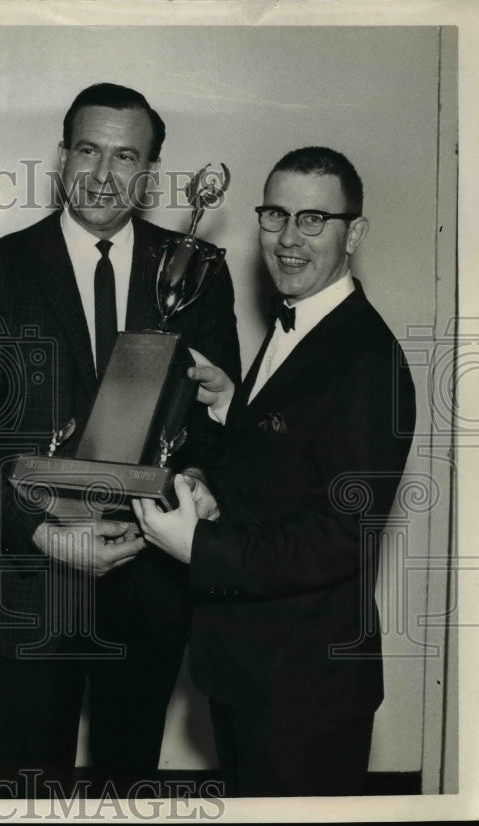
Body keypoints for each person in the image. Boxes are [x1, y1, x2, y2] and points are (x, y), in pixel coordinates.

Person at [0, 82, 240, 791]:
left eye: (126, 156)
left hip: (150, 583)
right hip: (31, 582)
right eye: (88, 150)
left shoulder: (199, 270)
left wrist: (195, 481)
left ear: (150, 173)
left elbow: (212, 417)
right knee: (21, 792)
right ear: (61, 157)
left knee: (127, 786)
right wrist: (43, 533)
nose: (104, 174)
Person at [134, 146, 416, 796]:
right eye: (275, 215)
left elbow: (337, 536)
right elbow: (299, 459)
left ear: (356, 233)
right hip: (253, 673)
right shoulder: (305, 324)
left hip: (304, 691)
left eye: (313, 220)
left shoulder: (369, 359)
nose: (289, 240)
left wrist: (196, 546)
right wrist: (234, 416)